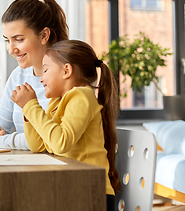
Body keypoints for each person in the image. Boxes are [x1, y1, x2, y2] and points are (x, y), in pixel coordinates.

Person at [10, 40, 120, 211]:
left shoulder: (81, 96)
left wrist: (31, 106)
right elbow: (38, 145)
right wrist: (28, 112)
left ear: (66, 71)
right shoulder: (57, 101)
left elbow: (60, 143)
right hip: (72, 187)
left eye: (46, 70)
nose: (41, 78)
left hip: (91, 191)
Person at [0, 0, 69, 149]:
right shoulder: (19, 76)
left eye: (19, 39)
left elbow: (51, 140)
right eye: (7, 40)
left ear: (44, 36)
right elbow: (0, 127)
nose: (11, 49)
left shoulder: (67, 76)